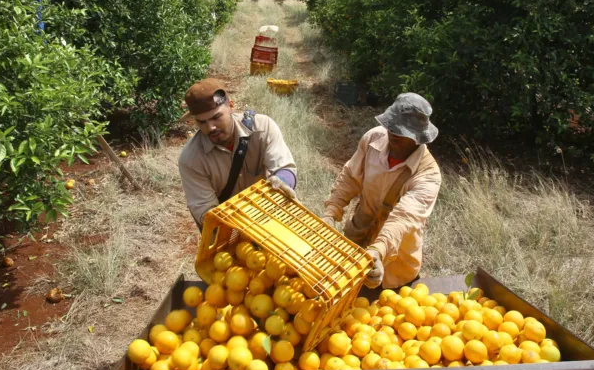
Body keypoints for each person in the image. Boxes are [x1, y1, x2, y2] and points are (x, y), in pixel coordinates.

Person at [322, 93, 441, 289]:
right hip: (355, 245)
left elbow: (403, 219)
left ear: (418, 138)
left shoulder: (428, 175)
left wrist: (378, 251)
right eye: (391, 126)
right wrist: (331, 213)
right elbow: (350, 177)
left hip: (394, 269)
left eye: (400, 131)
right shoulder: (373, 139)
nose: (392, 133)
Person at [179, 78, 297, 230]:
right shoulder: (191, 159)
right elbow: (206, 212)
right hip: (227, 230)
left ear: (231, 106)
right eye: (202, 122)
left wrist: (281, 181)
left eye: (216, 117)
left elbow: (286, 168)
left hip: (269, 216)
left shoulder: (263, 128)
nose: (211, 127)